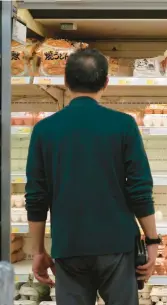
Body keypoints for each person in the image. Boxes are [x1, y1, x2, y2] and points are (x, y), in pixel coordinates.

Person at [25, 48, 159, 305]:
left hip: (68, 245)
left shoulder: (44, 130)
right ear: (106, 83)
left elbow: (36, 198)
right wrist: (152, 240)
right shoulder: (123, 125)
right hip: (117, 245)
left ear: (65, 81)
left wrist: (38, 250)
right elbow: (140, 189)